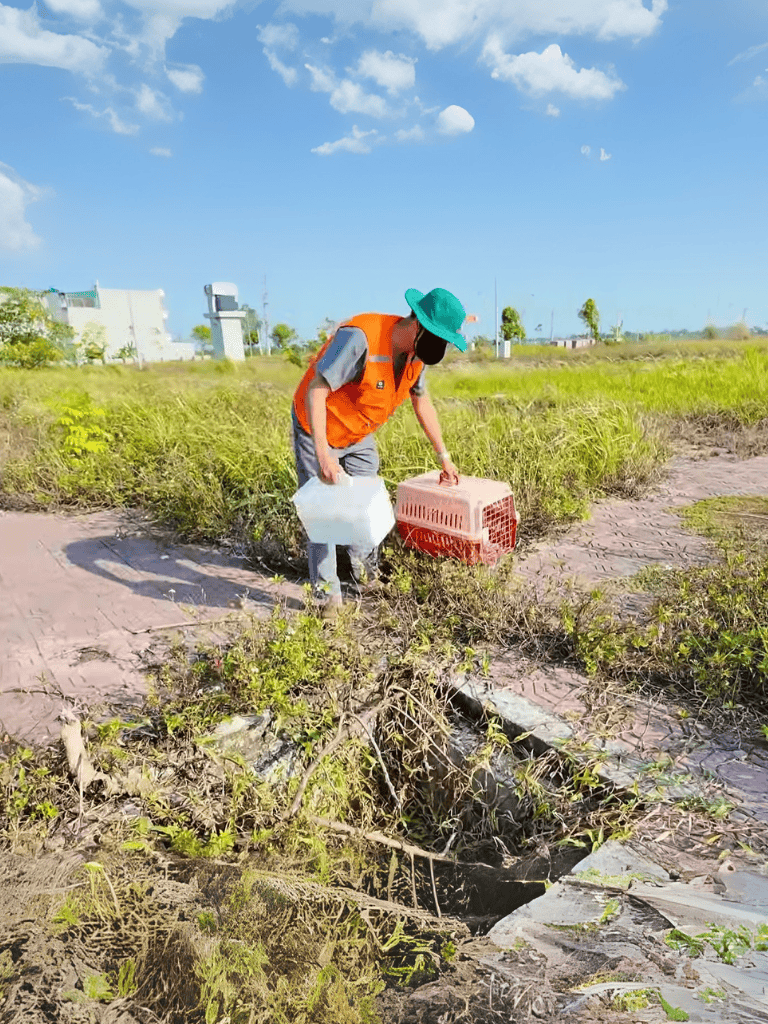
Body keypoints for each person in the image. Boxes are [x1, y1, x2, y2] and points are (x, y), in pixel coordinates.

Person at [291, 286, 467, 618]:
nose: (439, 346)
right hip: (318, 427)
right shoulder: (360, 339)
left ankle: (365, 577)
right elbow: (317, 390)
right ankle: (327, 596)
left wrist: (443, 455)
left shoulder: (417, 355)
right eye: (438, 337)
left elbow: (420, 398)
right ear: (418, 324)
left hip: (358, 431)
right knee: (324, 510)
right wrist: (324, 457)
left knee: (365, 504)